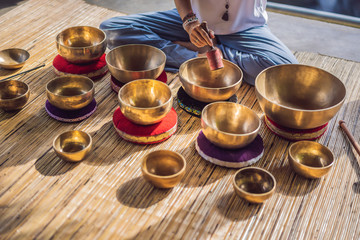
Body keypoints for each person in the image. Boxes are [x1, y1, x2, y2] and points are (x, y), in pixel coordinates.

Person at [100, 0, 298, 85]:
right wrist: (189, 22)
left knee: (284, 73)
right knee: (112, 29)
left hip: (246, 29)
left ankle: (209, 53)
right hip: (196, 23)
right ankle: (199, 55)